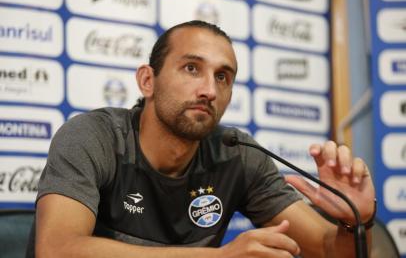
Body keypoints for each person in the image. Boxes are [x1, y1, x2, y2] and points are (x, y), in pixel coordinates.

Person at [29, 20, 376, 258]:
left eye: (223, 77)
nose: (209, 90)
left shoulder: (239, 154)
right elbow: (57, 249)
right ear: (147, 81)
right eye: (191, 68)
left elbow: (330, 251)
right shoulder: (95, 137)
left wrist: (354, 222)